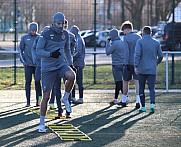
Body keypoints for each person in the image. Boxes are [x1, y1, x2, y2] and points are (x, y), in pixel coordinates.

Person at [36, 12, 76, 132]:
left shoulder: (66, 34)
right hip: (48, 68)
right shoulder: (46, 33)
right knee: (46, 97)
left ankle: (65, 98)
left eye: (62, 23)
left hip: (60, 64)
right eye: (58, 23)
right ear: (53, 23)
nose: (60, 26)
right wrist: (50, 54)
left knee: (72, 75)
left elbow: (67, 50)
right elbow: (38, 51)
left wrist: (70, 63)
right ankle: (42, 123)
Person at [134, 26, 163, 113]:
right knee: (151, 88)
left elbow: (137, 55)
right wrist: (156, 63)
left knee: (141, 87)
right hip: (152, 69)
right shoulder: (156, 42)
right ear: (151, 33)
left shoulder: (140, 42)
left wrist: (136, 66)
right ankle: (152, 105)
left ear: (143, 33)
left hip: (142, 69)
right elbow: (161, 56)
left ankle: (143, 107)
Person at [19, 22, 42, 107]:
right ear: (30, 30)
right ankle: (28, 102)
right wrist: (23, 62)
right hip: (28, 65)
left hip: (37, 66)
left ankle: (39, 101)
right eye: (32, 30)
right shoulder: (24, 38)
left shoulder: (40, 38)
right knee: (28, 82)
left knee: (37, 82)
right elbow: (20, 50)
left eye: (35, 30)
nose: (34, 32)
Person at [121, 21, 142, 108]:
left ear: (127, 29)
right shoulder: (139, 37)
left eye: (124, 30)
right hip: (137, 63)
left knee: (126, 82)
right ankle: (138, 101)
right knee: (137, 82)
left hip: (128, 63)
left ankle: (123, 100)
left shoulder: (126, 38)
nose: (123, 32)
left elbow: (126, 52)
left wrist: (126, 63)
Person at [105, 29, 125, 105]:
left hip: (116, 65)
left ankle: (122, 98)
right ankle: (120, 98)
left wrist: (107, 42)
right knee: (121, 82)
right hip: (123, 64)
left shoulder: (115, 44)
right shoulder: (122, 42)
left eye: (110, 35)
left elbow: (107, 52)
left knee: (118, 82)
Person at [69, 25, 85, 104]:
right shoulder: (78, 38)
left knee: (79, 81)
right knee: (74, 80)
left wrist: (71, 59)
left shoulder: (78, 39)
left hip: (78, 63)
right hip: (77, 63)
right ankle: (73, 96)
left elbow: (78, 52)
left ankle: (80, 97)